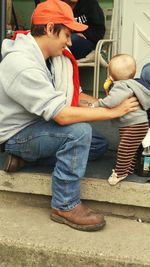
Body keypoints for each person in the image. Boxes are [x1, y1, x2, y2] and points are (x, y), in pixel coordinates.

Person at [0, 0, 138, 231]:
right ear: (50, 28)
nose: (70, 41)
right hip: (18, 134)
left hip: (41, 124)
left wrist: (106, 103)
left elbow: (76, 97)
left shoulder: (54, 57)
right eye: (67, 34)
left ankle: (25, 160)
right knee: (78, 133)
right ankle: (65, 204)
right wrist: (112, 112)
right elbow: (62, 115)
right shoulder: (22, 64)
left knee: (97, 144)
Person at [96, 54, 150, 185]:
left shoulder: (120, 86)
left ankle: (119, 173)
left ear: (111, 76)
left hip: (133, 124)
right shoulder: (134, 84)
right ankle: (129, 168)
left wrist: (99, 103)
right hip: (138, 123)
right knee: (132, 147)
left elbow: (112, 101)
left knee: (125, 148)